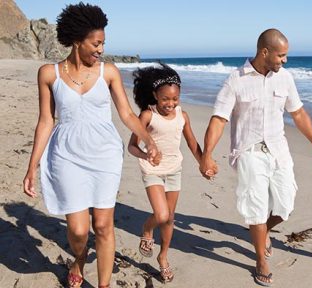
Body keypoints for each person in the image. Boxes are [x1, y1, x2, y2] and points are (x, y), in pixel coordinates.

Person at [22, 3, 158, 287]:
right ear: (76, 40)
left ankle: (103, 284)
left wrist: (148, 141)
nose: (100, 49)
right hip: (66, 156)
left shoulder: (108, 72)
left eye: (103, 43)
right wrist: (32, 166)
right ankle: (80, 257)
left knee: (103, 225)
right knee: (79, 230)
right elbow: (46, 121)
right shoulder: (49, 74)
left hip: (105, 154)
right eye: (96, 43)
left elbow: (126, 114)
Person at [200, 28, 312, 286]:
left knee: (285, 205)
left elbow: (299, 114)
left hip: (279, 150)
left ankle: (262, 232)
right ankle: (261, 258)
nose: (285, 60)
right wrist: (207, 155)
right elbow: (218, 120)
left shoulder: (286, 78)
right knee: (256, 208)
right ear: (264, 52)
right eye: (281, 55)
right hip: (249, 152)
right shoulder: (235, 80)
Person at [127, 63, 205, 283]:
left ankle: (163, 257)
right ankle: (147, 229)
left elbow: (191, 143)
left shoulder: (183, 115)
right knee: (161, 216)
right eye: (165, 99)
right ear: (155, 95)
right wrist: (145, 156)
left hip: (174, 170)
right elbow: (132, 146)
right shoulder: (147, 116)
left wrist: (203, 163)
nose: (170, 104)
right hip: (152, 170)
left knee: (169, 219)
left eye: (175, 99)